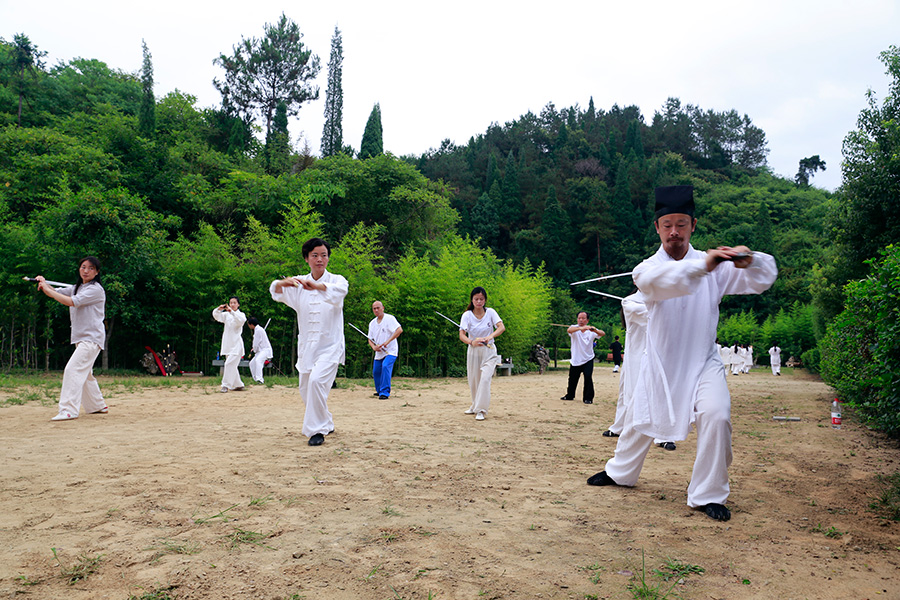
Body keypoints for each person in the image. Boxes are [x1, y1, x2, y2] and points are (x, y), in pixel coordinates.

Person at [587, 185, 777, 522]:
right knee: (640, 419)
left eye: (682, 224)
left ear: (693, 225)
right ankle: (620, 473)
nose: (674, 232)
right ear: (657, 228)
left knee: (717, 415)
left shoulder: (715, 265)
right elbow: (664, 283)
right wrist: (705, 265)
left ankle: (708, 493)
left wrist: (751, 261)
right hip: (661, 361)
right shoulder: (646, 269)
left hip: (704, 361)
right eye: (667, 225)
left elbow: (764, 279)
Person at [270, 238, 348, 446]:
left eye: (323, 255)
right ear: (307, 259)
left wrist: (317, 286)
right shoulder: (298, 284)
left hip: (330, 346)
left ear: (328, 258)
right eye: (315, 255)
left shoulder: (337, 280)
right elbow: (276, 293)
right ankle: (326, 421)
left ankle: (317, 431)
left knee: (316, 382)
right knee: (306, 389)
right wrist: (281, 283)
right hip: (307, 347)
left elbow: (340, 292)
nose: (320, 259)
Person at [37, 256, 109, 421]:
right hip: (82, 337)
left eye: (91, 268)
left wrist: (48, 290)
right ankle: (97, 405)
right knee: (85, 373)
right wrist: (44, 283)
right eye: (83, 267)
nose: (86, 271)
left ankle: (68, 410)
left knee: (73, 370)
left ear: (97, 272)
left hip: (91, 338)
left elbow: (71, 302)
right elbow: (56, 292)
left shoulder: (95, 290)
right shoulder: (77, 287)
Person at [602, 293, 676, 451]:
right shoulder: (630, 302)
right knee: (627, 394)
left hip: (659, 357)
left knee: (661, 393)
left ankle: (663, 435)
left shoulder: (667, 299)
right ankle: (619, 427)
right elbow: (651, 317)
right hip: (635, 357)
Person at [459, 286, 505, 421]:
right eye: (476, 299)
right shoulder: (467, 315)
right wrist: (471, 342)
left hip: (489, 351)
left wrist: (490, 337)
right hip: (473, 351)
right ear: (472, 300)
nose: (479, 302)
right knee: (474, 381)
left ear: (485, 300)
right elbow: (462, 334)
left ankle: (481, 410)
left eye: (481, 299)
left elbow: (501, 327)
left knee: (485, 379)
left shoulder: (491, 312)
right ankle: (474, 405)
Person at [561, 312, 605, 404]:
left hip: (588, 358)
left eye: (583, 318)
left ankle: (588, 398)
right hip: (576, 359)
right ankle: (570, 395)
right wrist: (581, 328)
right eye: (579, 318)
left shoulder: (591, 331)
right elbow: (569, 330)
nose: (581, 320)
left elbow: (602, 333)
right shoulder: (574, 329)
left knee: (588, 377)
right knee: (572, 378)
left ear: (587, 320)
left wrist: (595, 330)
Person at [367, 301, 403, 399]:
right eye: (374, 308)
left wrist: (387, 342)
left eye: (378, 308)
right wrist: (374, 347)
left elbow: (399, 330)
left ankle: (385, 392)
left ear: (383, 308)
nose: (376, 310)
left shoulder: (390, 319)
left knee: (386, 366)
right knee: (376, 371)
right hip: (379, 353)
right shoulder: (372, 323)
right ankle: (379, 390)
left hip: (390, 351)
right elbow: (370, 339)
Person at [213, 296, 246, 393]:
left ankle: (225, 385)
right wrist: (219, 309)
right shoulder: (226, 315)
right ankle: (239, 385)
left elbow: (241, 321)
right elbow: (216, 316)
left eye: (234, 303)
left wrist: (232, 312)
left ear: (238, 304)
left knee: (229, 364)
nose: (232, 304)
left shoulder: (241, 315)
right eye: (231, 303)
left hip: (237, 345)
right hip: (228, 344)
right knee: (232, 366)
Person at [247, 317, 273, 384]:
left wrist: (254, 350)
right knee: (252, 363)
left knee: (258, 361)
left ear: (251, 324)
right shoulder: (258, 330)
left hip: (265, 350)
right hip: (261, 351)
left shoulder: (258, 330)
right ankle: (255, 379)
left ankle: (260, 379)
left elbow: (256, 343)